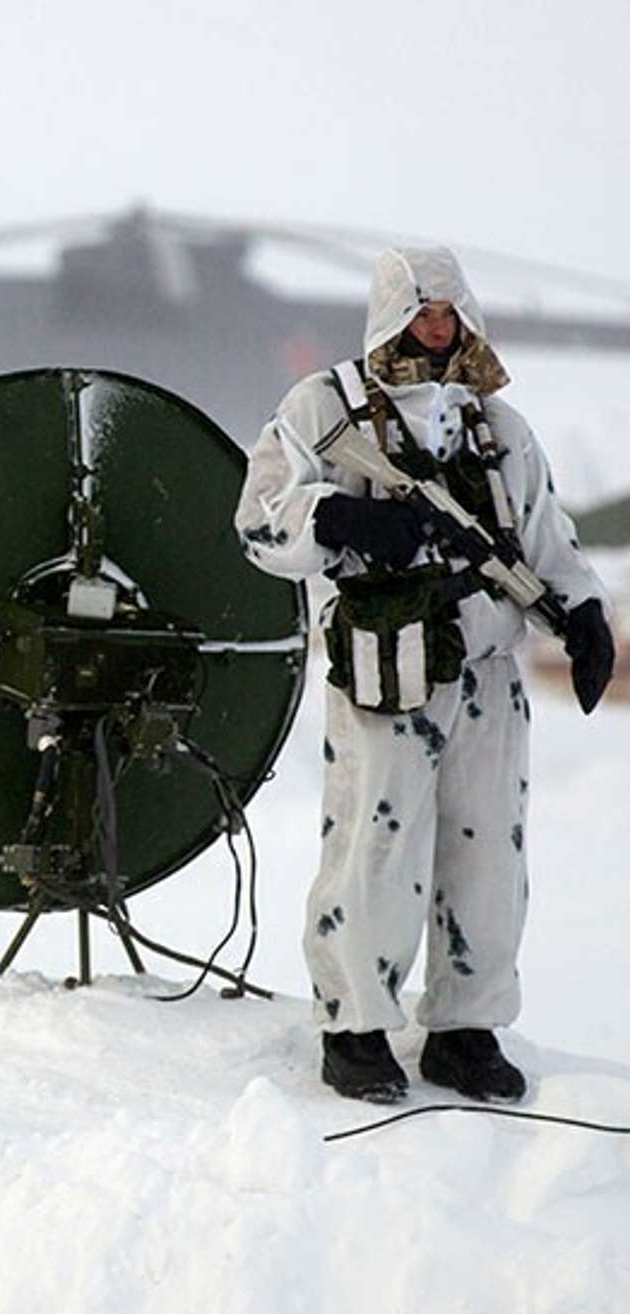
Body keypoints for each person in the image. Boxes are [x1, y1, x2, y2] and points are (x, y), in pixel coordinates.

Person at [235, 245, 616, 1105]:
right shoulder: (327, 408)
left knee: (488, 852)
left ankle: (465, 1027)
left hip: (486, 668)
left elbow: (544, 533)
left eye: (448, 313)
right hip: (388, 666)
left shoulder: (496, 426)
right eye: (420, 312)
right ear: (391, 314)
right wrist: (338, 516)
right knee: (376, 844)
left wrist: (582, 611)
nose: (436, 328)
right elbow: (259, 516)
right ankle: (356, 1026)